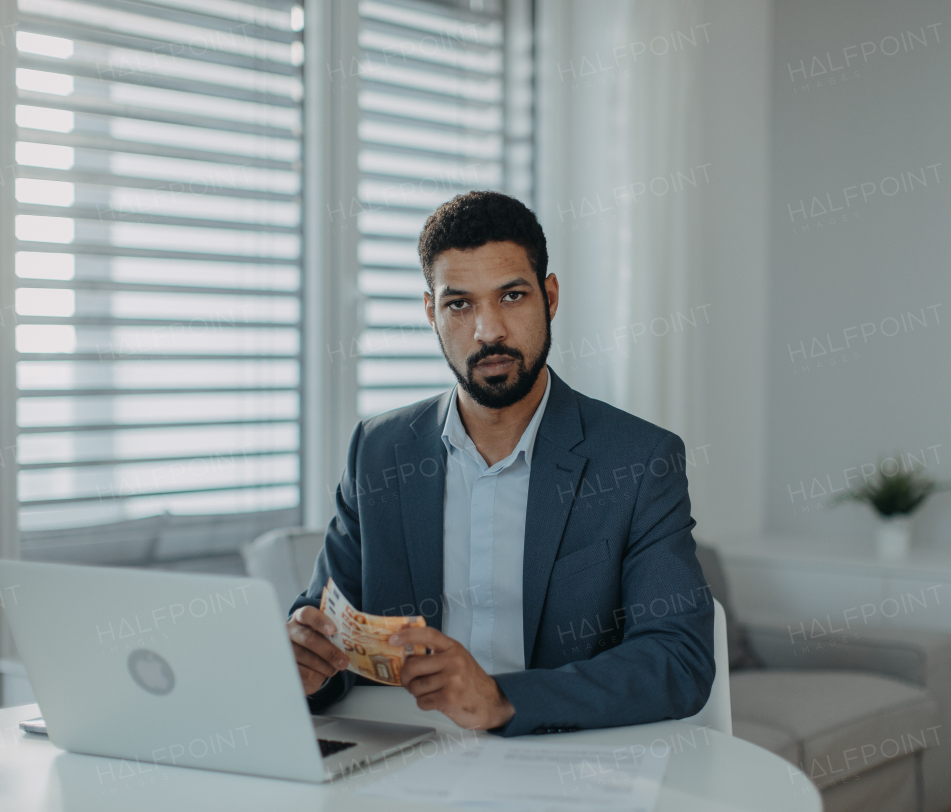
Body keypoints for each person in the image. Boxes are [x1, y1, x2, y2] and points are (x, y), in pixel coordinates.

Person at [287, 191, 713, 736]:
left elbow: (679, 660)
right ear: (430, 313)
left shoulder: (638, 460)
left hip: (567, 758)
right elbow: (328, 628)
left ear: (550, 296)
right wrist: (307, 664)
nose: (488, 330)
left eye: (511, 296)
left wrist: (503, 699)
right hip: (407, 756)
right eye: (459, 304)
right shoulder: (377, 452)